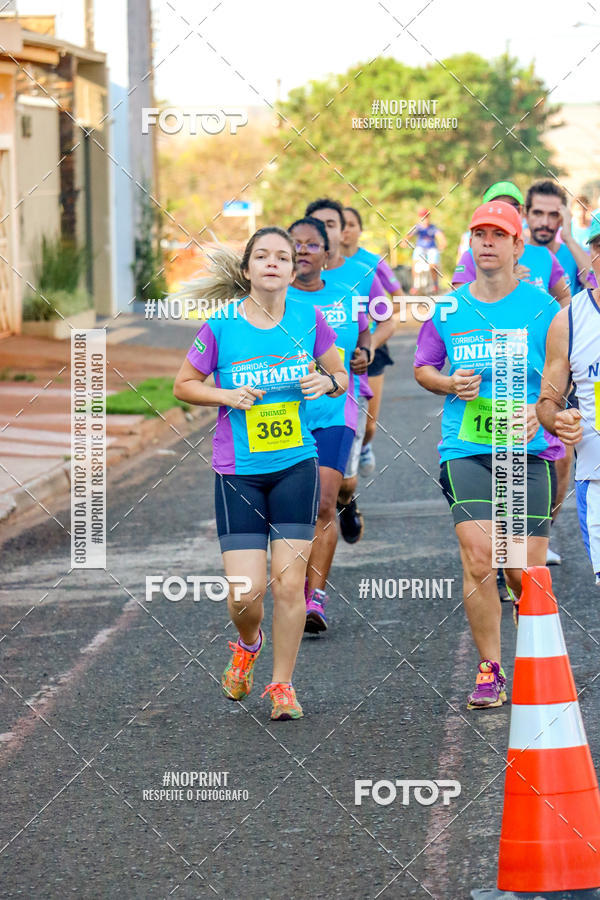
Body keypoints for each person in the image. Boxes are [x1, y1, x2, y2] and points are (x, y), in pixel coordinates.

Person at [173, 227, 348, 720]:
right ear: (247, 269)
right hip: (239, 472)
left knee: (290, 584)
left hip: (296, 462)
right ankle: (249, 643)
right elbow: (184, 385)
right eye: (263, 256)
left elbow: (339, 374)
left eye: (283, 257)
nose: (273, 263)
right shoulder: (222, 325)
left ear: (294, 271)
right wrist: (224, 395)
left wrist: (328, 380)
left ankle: (282, 685)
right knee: (245, 594)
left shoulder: (309, 319)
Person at [414, 201, 562, 709]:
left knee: (523, 572)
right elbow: (424, 368)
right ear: (470, 245)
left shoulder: (544, 309)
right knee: (481, 558)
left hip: (527, 452)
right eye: (479, 234)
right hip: (468, 449)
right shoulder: (449, 310)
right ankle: (491, 670)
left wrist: (543, 408)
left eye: (499, 235)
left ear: (518, 246)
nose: (488, 242)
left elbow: (561, 375)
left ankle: (539, 660)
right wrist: (448, 381)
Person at [286, 216, 371, 631]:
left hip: (336, 410)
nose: (302, 251)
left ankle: (314, 599)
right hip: (284, 415)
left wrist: (364, 352)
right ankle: (294, 591)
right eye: (294, 245)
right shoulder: (272, 298)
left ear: (327, 253)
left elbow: (365, 332)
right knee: (292, 511)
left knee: (322, 504)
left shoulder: (347, 293)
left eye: (310, 245)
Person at [537, 216, 600, 585]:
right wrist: (557, 420)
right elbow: (548, 401)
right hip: (597, 481)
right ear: (592, 255)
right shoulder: (569, 321)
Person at [340, 205, 397, 478]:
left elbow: (396, 296)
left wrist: (377, 328)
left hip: (371, 346)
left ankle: (364, 446)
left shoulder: (372, 263)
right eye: (341, 224)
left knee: (370, 424)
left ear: (360, 230)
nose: (345, 230)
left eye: (352, 224)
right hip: (337, 349)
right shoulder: (318, 270)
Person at [452, 181, 571, 307]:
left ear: (522, 212)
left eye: (513, 207)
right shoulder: (474, 256)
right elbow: (459, 306)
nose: (503, 211)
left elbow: (564, 297)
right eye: (496, 205)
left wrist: (556, 324)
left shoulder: (544, 255)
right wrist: (505, 283)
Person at [407, 207, 447, 294]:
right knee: (415, 259)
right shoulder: (418, 228)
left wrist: (442, 243)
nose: (425, 219)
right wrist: (405, 241)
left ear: (429, 217)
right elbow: (409, 235)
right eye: (422, 217)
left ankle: (435, 285)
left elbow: (440, 236)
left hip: (431, 249)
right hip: (420, 249)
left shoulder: (433, 228)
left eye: (426, 216)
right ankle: (415, 285)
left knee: (433, 265)